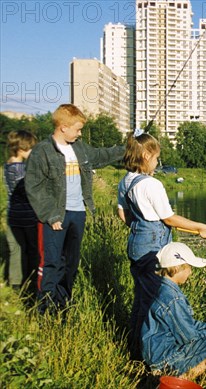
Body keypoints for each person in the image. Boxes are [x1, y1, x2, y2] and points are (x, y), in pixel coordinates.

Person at [117, 131, 206, 358]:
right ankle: (157, 353)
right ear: (146, 155)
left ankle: (134, 348)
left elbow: (124, 216)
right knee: (157, 300)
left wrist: (142, 226)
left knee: (142, 298)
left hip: (135, 243)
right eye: (157, 157)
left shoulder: (126, 181)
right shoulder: (152, 184)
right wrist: (200, 227)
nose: (158, 162)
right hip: (152, 246)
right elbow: (169, 219)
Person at [25, 104, 125, 313]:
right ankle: (45, 310)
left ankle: (62, 307)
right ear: (63, 127)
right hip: (55, 216)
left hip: (78, 213)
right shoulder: (42, 151)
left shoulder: (79, 147)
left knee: (70, 264)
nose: (80, 134)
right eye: (77, 129)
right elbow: (34, 187)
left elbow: (100, 155)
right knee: (52, 263)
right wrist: (50, 215)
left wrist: (128, 147)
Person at [142, 242, 206, 379]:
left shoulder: (163, 290)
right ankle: (182, 378)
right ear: (177, 268)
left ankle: (182, 372)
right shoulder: (173, 299)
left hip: (158, 353)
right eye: (188, 267)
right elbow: (190, 337)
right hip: (165, 359)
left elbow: (191, 325)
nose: (190, 272)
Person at [4, 130, 38, 294]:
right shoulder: (21, 169)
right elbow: (29, 192)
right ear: (21, 148)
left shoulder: (8, 165)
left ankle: (15, 282)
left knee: (16, 250)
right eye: (30, 148)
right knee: (32, 249)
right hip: (28, 216)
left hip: (13, 215)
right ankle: (31, 281)